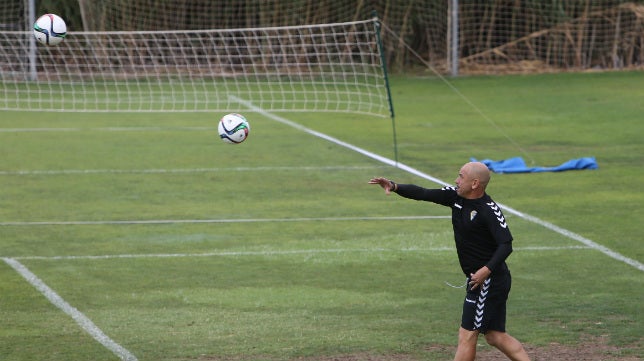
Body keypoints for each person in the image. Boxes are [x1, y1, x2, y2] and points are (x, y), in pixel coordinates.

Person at [369, 162, 531, 361]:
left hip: (488, 280)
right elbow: (424, 193)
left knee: (467, 335)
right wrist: (394, 186)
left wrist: (485, 271)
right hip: (481, 279)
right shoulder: (455, 196)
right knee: (495, 336)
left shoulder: (489, 210)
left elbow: (506, 244)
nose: (456, 180)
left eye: (461, 176)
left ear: (474, 183)